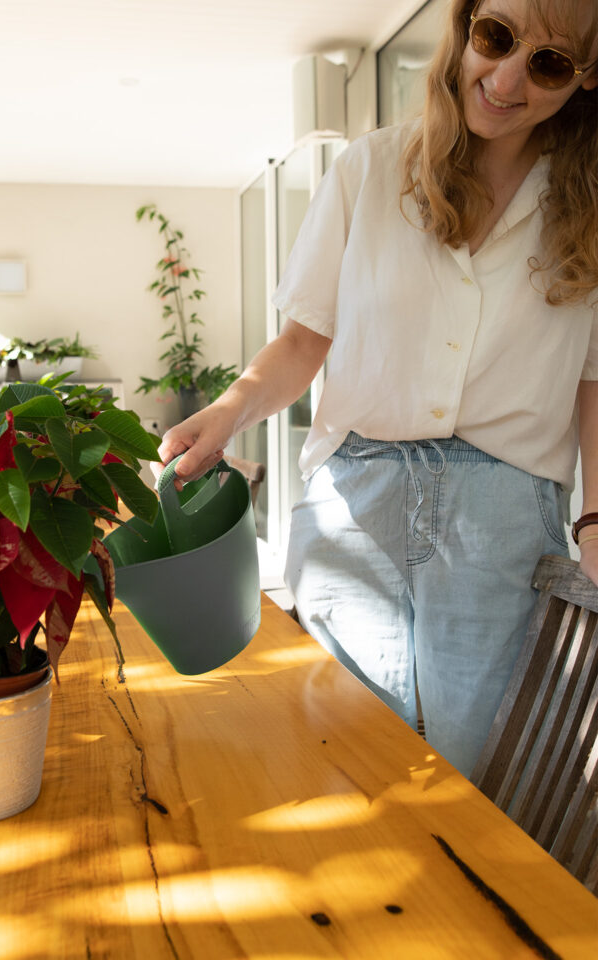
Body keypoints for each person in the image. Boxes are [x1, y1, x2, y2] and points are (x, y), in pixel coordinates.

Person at [156, 0, 598, 777]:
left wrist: (595, 518)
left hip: (505, 513)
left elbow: (593, 382)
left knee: (481, 777)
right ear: (464, 27)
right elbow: (303, 341)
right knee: (344, 761)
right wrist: (227, 414)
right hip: (357, 498)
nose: (504, 78)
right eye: (495, 38)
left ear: (584, 81)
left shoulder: (589, 210)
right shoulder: (368, 169)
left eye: (549, 63)